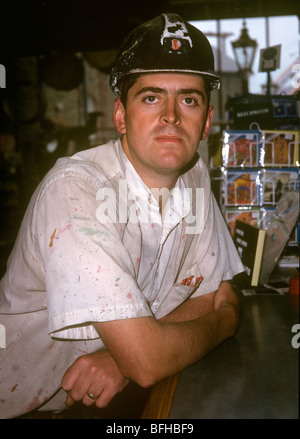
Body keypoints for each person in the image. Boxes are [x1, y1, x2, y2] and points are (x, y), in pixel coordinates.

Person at [0, 13, 244, 418]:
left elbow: (213, 292)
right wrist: (225, 323)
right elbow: (158, 354)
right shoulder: (77, 191)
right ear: (120, 116)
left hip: (85, 400)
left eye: (188, 99)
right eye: (151, 97)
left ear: (206, 123)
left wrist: (124, 359)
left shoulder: (195, 176)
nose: (171, 115)